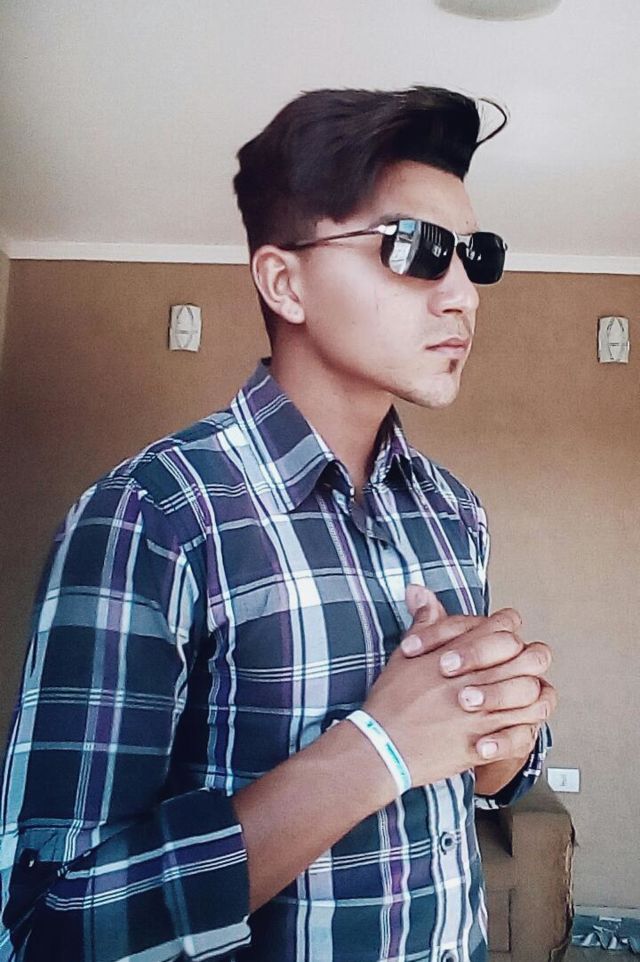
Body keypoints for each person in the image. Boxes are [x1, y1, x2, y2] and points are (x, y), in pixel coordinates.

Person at [0, 86, 556, 962]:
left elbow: (488, 775)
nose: (463, 295)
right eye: (416, 248)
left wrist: (504, 734)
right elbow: (51, 929)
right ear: (284, 282)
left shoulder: (453, 511)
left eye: (475, 257)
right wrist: (378, 749)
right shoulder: (150, 517)